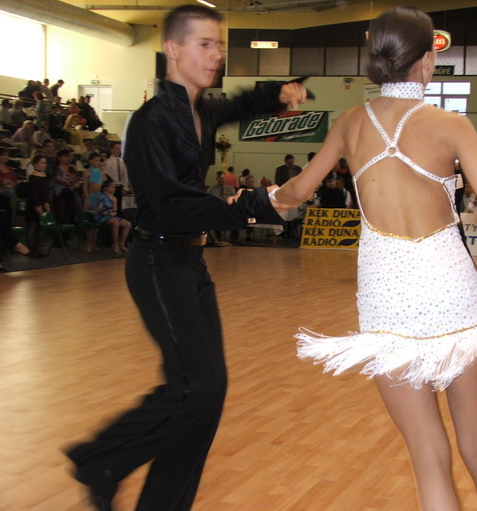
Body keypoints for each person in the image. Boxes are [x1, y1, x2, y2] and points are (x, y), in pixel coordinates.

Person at [273, 7, 477, 510]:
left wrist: (265, 198)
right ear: (427, 60)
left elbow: (296, 192)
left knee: (426, 453)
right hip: (450, 290)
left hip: (387, 296)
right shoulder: (449, 124)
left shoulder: (349, 122)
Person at [62, 5, 306, 511]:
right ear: (172, 49)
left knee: (206, 393)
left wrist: (278, 93)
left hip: (190, 262)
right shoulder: (151, 121)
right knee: (198, 386)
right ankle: (100, 459)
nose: (216, 55)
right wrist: (251, 206)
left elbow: (240, 104)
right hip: (157, 262)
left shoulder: (202, 111)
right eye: (204, 44)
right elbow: (172, 205)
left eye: (219, 46)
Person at [94, 180, 132, 254]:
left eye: (114, 187)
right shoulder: (101, 196)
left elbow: (115, 210)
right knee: (115, 222)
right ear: (106, 188)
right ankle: (115, 244)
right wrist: (106, 212)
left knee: (128, 224)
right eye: (112, 187)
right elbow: (99, 210)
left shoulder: (114, 198)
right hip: (101, 216)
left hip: (110, 215)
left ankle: (122, 244)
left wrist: (112, 213)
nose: (114, 189)